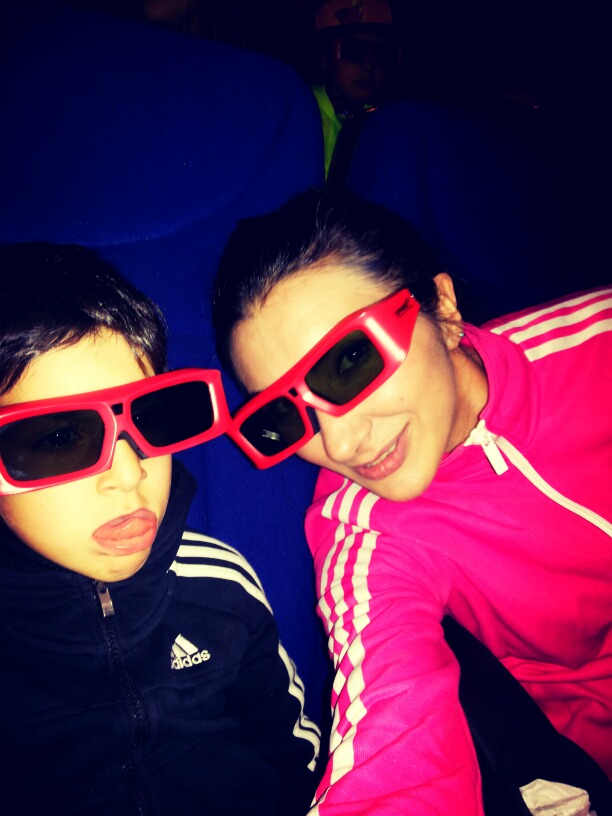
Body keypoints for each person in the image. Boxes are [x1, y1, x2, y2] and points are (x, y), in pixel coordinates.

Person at [212, 190, 612, 815]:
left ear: (443, 309)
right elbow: (390, 732)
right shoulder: (364, 534)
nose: (340, 443)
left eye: (349, 362)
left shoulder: (595, 351)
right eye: (284, 416)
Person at [0, 242, 320, 816]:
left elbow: (297, 756)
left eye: (150, 417)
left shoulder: (221, 583)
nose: (130, 474)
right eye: (59, 439)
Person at [309, 0, 402, 177]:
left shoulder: (388, 127)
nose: (369, 65)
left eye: (382, 53)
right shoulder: (297, 112)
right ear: (324, 58)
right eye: (353, 50)